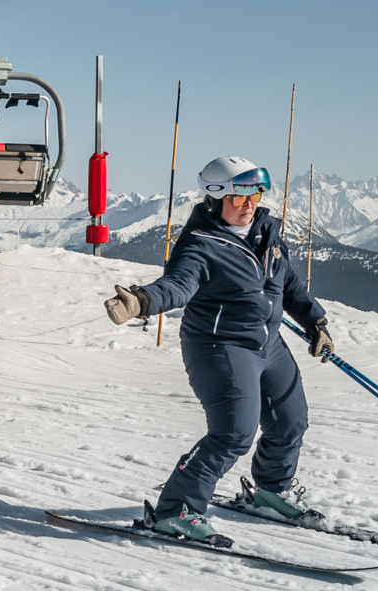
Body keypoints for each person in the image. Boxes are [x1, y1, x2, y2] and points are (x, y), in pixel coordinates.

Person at [102, 155, 334, 547]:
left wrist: (316, 323)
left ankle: (272, 490)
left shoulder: (266, 233)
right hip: (220, 346)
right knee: (233, 432)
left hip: (268, 344)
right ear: (215, 198)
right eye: (240, 196)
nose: (250, 204)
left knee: (291, 420)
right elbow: (177, 284)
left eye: (256, 194)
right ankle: (175, 511)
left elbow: (288, 284)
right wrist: (142, 301)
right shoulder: (199, 245)